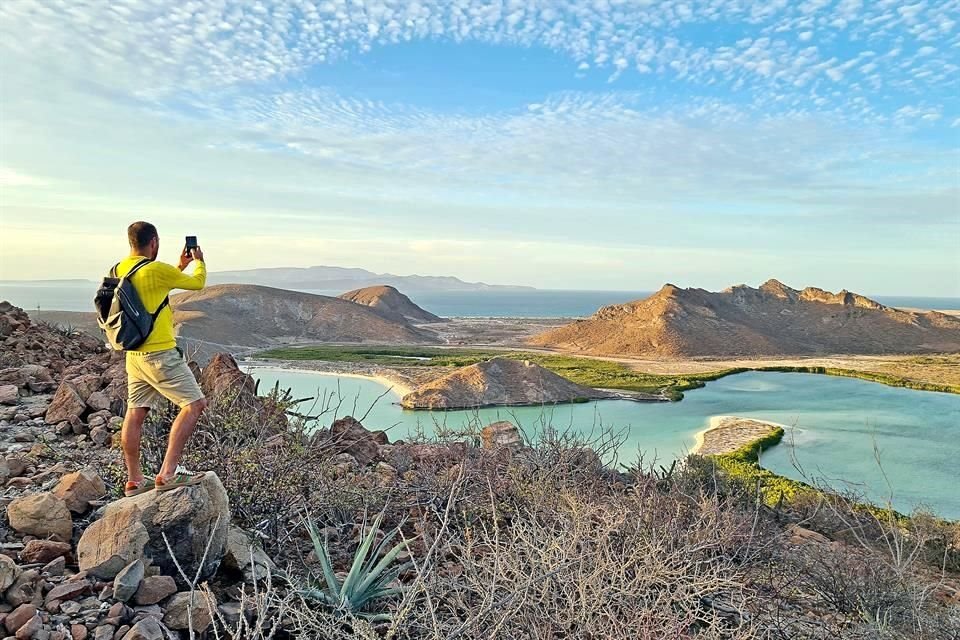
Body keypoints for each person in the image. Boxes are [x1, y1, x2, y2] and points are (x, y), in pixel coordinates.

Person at [117, 221, 208, 497]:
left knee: (135, 412)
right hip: (160, 355)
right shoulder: (156, 270)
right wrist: (198, 262)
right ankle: (168, 473)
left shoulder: (119, 268)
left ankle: (134, 481)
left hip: (134, 355)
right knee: (195, 404)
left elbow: (151, 291)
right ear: (154, 242)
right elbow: (198, 283)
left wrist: (178, 267)